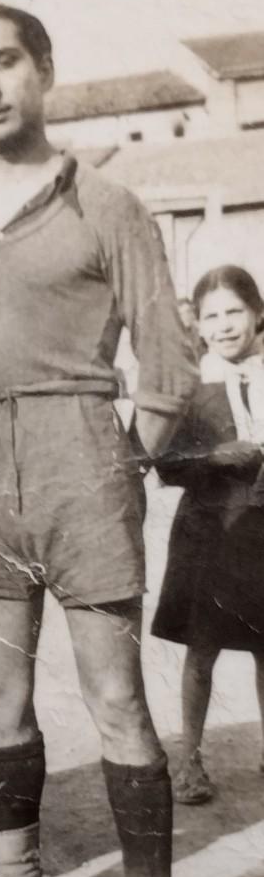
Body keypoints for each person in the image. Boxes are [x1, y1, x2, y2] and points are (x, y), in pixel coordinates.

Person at [0, 3, 213, 877]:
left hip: (83, 460)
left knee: (117, 700)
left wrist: (119, 460)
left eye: (6, 61)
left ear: (43, 69)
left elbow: (167, 365)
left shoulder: (107, 203)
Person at [152, 265, 264, 803]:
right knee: (203, 650)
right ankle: (190, 761)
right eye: (211, 315)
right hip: (209, 532)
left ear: (259, 314)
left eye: (235, 312)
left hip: (262, 531)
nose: (224, 325)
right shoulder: (191, 385)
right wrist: (217, 455)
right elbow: (165, 462)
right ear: (196, 325)